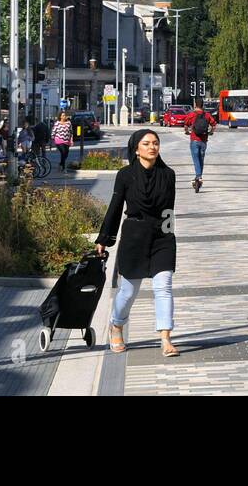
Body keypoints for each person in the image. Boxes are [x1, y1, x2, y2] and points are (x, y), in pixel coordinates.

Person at [96, 129, 178, 357]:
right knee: (128, 292)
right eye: (146, 143)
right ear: (136, 148)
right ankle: (117, 325)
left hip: (162, 238)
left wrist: (170, 237)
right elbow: (114, 207)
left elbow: (170, 209)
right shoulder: (125, 175)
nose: (152, 147)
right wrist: (104, 239)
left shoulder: (168, 174)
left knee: (164, 287)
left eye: (155, 143)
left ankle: (165, 338)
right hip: (134, 236)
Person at [184, 101, 215, 192]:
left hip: (194, 140)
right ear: (203, 105)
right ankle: (198, 178)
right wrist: (211, 132)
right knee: (201, 160)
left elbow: (186, 124)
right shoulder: (207, 115)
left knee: (196, 159)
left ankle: (198, 176)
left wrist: (187, 131)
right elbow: (214, 124)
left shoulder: (191, 114)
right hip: (203, 141)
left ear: (195, 105)